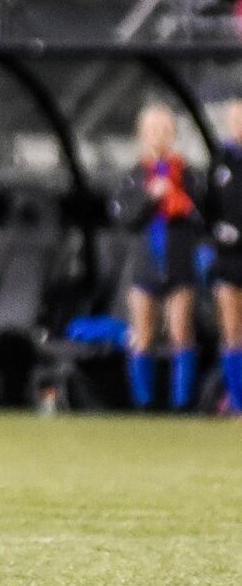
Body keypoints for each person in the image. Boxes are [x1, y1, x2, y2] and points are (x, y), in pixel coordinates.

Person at [112, 103, 202, 411]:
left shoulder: (188, 174)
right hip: (145, 266)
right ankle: (143, 403)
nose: (158, 138)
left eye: (164, 131)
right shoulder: (135, 176)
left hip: (179, 267)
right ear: (141, 136)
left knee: (181, 332)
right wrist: (150, 197)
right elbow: (124, 218)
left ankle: (182, 404)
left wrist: (179, 200)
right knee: (144, 332)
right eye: (152, 131)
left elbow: (200, 215)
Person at [208, 98, 242, 414]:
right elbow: (207, 209)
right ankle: (236, 400)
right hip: (228, 259)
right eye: (235, 120)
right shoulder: (220, 162)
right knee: (232, 331)